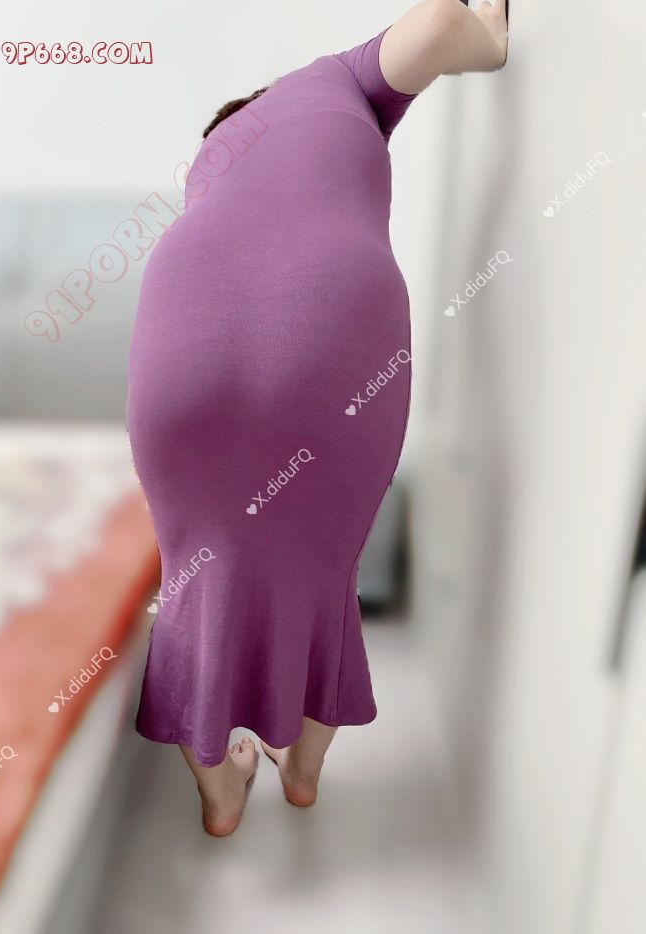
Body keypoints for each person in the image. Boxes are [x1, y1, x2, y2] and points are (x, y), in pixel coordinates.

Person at [127, 0, 508, 837]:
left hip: (182, 316)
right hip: (333, 316)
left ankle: (222, 789)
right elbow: (441, 22)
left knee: (197, 570)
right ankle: (301, 770)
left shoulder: (213, 165)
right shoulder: (337, 81)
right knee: (320, 570)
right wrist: (491, 35)